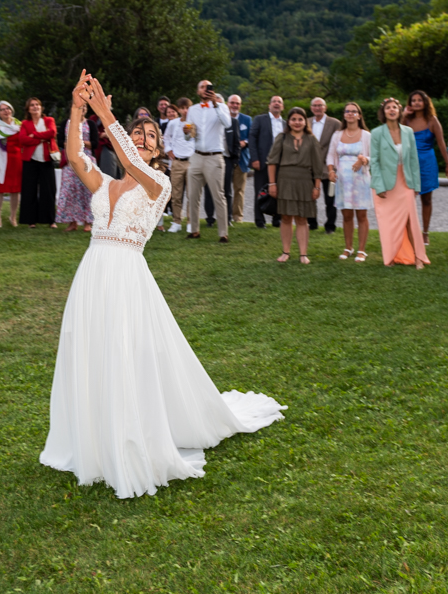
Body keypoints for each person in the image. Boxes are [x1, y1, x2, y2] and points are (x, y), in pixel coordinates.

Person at [40, 71, 284, 499]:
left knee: (124, 353)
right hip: (92, 272)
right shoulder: (106, 184)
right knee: (91, 349)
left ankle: (129, 437)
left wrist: (105, 113)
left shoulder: (159, 184)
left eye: (150, 135)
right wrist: (78, 109)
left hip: (126, 276)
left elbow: (131, 161)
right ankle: (93, 439)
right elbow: (75, 156)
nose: (142, 138)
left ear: (158, 148)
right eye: (137, 132)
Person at [371, 98, 428, 269]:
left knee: (411, 220)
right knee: (388, 223)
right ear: (384, 112)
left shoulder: (408, 132)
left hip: (405, 182)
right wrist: (379, 186)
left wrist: (416, 185)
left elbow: (413, 160)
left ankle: (418, 257)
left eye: (394, 107)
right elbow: (374, 162)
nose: (391, 110)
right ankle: (390, 256)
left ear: (399, 110)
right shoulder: (376, 133)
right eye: (388, 108)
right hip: (385, 184)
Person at [267, 107, 324, 263]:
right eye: (293, 119)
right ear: (289, 121)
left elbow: (318, 166)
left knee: (302, 218)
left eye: (300, 119)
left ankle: (303, 254)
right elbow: (272, 162)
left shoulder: (311, 139)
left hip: (305, 182)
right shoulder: (282, 138)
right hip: (285, 181)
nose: (297, 122)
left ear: (305, 121)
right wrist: (272, 183)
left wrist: (317, 186)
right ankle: (285, 252)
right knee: (286, 217)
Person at [183, 80, 231, 242]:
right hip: (196, 156)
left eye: (208, 87)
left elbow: (227, 123)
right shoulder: (193, 109)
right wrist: (186, 132)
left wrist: (216, 105)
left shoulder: (221, 107)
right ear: (198, 92)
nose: (205, 89)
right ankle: (194, 230)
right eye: (202, 87)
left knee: (218, 196)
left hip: (214, 157)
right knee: (192, 195)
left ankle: (223, 233)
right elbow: (189, 136)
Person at [403, 90, 448, 245]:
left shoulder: (432, 120)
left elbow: (441, 143)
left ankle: (425, 232)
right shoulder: (407, 120)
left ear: (425, 102)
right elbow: (396, 134)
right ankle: (409, 231)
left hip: (427, 163)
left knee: (427, 199)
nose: (416, 103)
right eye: (414, 100)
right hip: (410, 163)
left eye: (419, 100)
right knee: (408, 199)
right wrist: (404, 115)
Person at [327, 101, 372, 262]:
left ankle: (361, 250)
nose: (350, 113)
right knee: (346, 215)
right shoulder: (337, 135)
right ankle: (348, 247)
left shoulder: (366, 135)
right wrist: (331, 171)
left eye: (354, 111)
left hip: (361, 180)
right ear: (344, 115)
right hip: (343, 181)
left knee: (361, 215)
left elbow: (374, 156)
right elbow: (331, 155)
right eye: (347, 111)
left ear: (359, 115)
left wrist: (364, 159)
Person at [13, 97, 59, 228]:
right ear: (28, 109)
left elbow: (52, 132)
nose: (35, 107)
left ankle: (50, 220)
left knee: (48, 190)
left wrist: (34, 135)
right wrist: (42, 138)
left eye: (37, 104)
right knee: (29, 190)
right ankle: (30, 220)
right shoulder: (25, 123)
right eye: (32, 105)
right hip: (30, 160)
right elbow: (23, 139)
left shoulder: (49, 120)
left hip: (47, 159)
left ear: (41, 107)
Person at [249, 95, 286, 228]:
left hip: (280, 164)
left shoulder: (285, 124)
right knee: (260, 191)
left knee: (279, 191)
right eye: (274, 101)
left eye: (279, 102)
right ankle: (260, 221)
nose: (276, 103)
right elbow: (252, 138)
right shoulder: (260, 119)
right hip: (262, 162)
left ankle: (277, 219)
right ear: (269, 105)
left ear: (282, 107)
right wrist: (254, 158)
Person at [306, 97, 342, 233]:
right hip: (309, 166)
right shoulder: (306, 122)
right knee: (309, 197)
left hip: (329, 167)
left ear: (325, 107)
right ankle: (312, 223)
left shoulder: (335, 123)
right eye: (315, 106)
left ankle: (330, 226)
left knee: (330, 198)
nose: (317, 108)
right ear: (311, 108)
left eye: (320, 105)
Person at [55, 112, 95, 232]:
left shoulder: (90, 123)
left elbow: (95, 143)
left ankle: (88, 223)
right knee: (70, 190)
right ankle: (72, 222)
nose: (81, 109)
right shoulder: (66, 123)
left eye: (84, 107)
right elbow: (60, 141)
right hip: (70, 161)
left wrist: (79, 142)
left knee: (87, 190)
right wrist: (69, 144)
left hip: (86, 160)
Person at [0, 101, 22, 228]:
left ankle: (13, 216)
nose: (6, 111)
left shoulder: (18, 124)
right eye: (2, 109)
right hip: (0, 161)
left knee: (15, 190)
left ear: (11, 110)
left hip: (16, 161)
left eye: (8, 108)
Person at [163, 97, 195, 233]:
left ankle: (191, 222)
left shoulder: (195, 123)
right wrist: (168, 150)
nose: (185, 110)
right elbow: (166, 138)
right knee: (176, 194)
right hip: (177, 162)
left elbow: (198, 139)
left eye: (187, 108)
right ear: (179, 110)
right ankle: (176, 221)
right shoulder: (173, 123)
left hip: (192, 161)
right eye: (182, 108)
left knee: (192, 195)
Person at [225, 94, 252, 224]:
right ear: (227, 104)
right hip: (225, 159)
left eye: (237, 103)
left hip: (241, 159)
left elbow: (252, 136)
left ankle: (237, 217)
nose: (235, 105)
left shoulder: (247, 119)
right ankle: (225, 216)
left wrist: (245, 142)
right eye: (232, 103)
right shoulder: (223, 118)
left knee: (239, 190)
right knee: (224, 190)